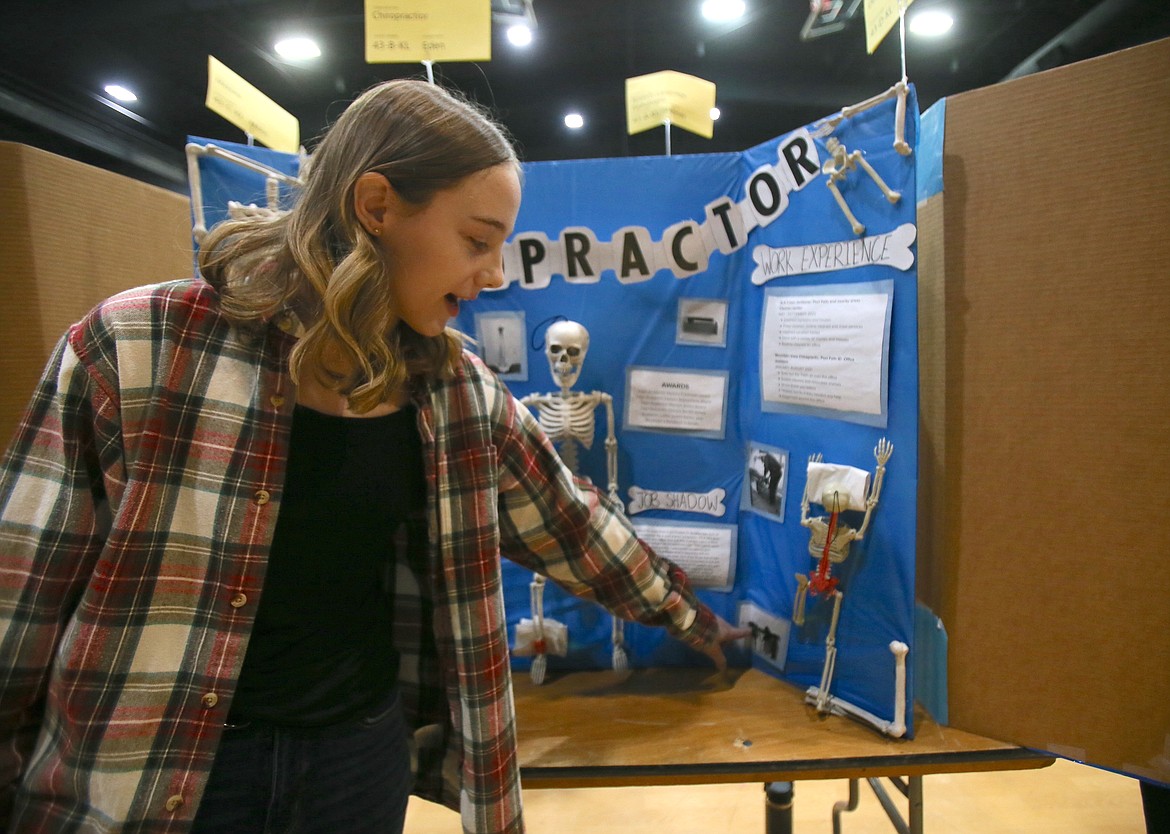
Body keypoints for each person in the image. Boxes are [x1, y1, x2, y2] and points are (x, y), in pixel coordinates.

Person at [0, 79, 747, 834]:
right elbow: (20, 595)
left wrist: (693, 620)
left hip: (355, 767)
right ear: (377, 206)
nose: (492, 276)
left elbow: (575, 530)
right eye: (477, 240)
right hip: (157, 770)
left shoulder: (457, 392)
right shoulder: (135, 350)